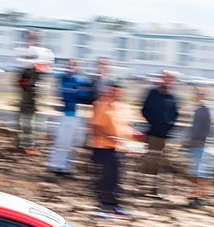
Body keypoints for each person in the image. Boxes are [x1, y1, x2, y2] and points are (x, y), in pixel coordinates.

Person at [89, 81, 132, 217]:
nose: (114, 93)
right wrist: (111, 138)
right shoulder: (101, 105)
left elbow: (126, 126)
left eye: (117, 91)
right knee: (105, 179)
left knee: (116, 178)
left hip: (119, 148)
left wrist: (130, 141)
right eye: (112, 90)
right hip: (104, 147)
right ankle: (103, 207)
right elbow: (97, 127)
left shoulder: (123, 107)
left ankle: (114, 205)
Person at [47, 58, 93, 176]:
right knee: (60, 141)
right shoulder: (63, 79)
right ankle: (55, 165)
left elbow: (88, 96)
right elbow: (61, 94)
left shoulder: (82, 80)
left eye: (75, 65)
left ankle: (66, 167)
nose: (72, 67)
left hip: (76, 115)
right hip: (65, 114)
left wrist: (78, 93)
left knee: (72, 143)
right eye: (70, 65)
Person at [14, 29, 54, 154]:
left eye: (33, 38)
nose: (31, 40)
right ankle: (23, 144)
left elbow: (44, 65)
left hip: (34, 90)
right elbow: (20, 63)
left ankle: (30, 144)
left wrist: (32, 63)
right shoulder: (25, 52)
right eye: (29, 37)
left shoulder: (43, 52)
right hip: (26, 89)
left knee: (31, 119)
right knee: (23, 118)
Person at [141, 70, 179, 196]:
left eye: (170, 78)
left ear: (173, 81)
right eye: (165, 77)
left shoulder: (173, 97)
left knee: (166, 163)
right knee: (151, 162)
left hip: (167, 136)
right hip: (153, 134)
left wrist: (169, 125)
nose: (167, 80)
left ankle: (163, 192)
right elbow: (145, 110)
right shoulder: (152, 93)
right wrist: (153, 122)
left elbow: (176, 114)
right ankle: (148, 189)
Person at [185, 86, 214, 208]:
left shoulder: (208, 109)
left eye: (201, 94)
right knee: (198, 172)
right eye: (197, 94)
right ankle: (198, 195)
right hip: (196, 144)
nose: (198, 96)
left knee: (201, 173)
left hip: (204, 145)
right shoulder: (198, 109)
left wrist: (203, 141)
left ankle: (199, 197)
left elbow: (210, 128)